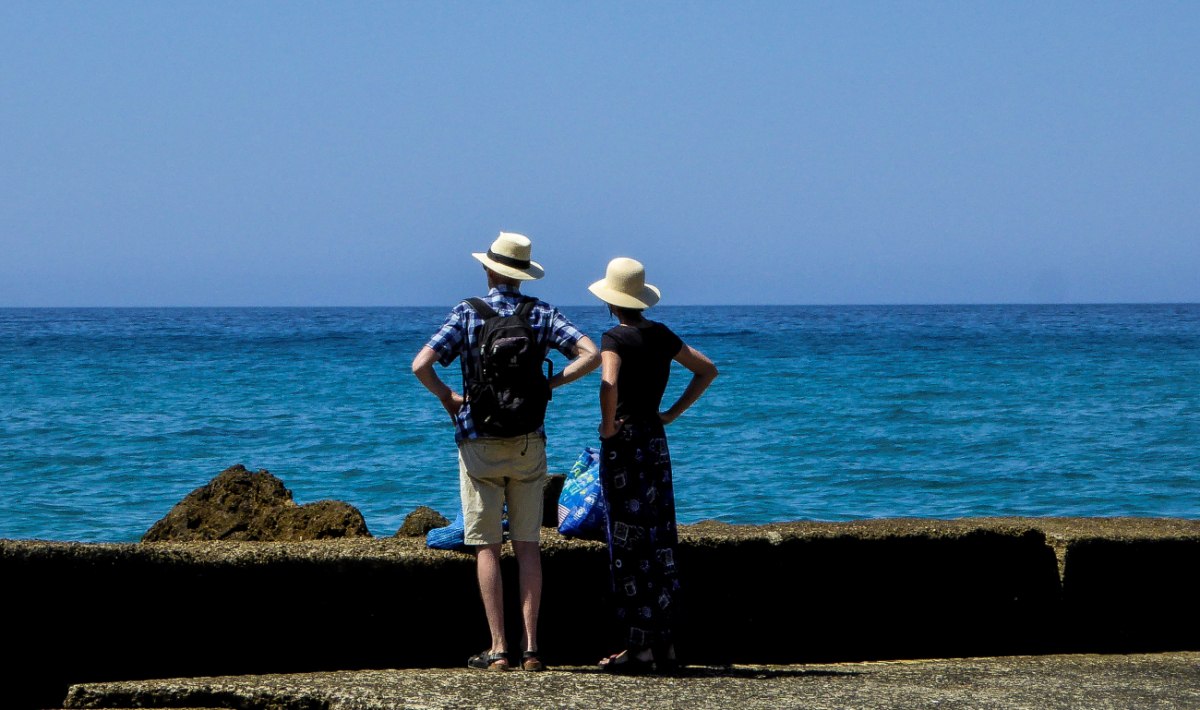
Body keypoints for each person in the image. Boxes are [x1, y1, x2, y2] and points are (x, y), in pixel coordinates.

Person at [412, 231, 600, 672]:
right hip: (528, 440)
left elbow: (420, 364)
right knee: (529, 545)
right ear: (523, 273)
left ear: (489, 268)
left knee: (486, 547)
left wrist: (447, 397)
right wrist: (550, 385)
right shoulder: (542, 314)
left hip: (477, 440)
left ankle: (498, 649)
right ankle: (532, 648)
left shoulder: (467, 312)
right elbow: (590, 354)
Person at [588, 257, 718, 674]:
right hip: (654, 442)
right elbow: (706, 370)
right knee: (660, 539)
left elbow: (608, 383)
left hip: (624, 443)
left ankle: (638, 648)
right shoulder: (661, 335)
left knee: (628, 545)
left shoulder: (614, 338)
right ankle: (666, 645)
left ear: (611, 301)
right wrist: (670, 414)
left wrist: (608, 428)